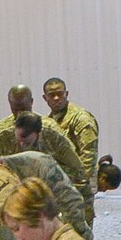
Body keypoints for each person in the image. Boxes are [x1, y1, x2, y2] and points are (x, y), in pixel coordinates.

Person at [0, 145, 86, 235]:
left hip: (52, 219)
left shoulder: (38, 164)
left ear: (1, 164)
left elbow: (71, 200)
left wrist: (73, 236)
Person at [42, 76, 101, 223]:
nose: (56, 98)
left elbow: (89, 154)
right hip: (61, 186)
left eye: (60, 94)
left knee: (80, 232)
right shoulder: (50, 120)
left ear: (66, 94)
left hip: (79, 185)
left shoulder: (80, 118)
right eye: (51, 95)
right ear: (45, 98)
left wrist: (79, 183)